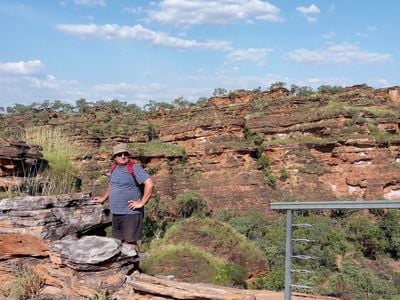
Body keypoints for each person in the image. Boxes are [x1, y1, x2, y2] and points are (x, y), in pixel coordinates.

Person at [95, 143, 154, 255]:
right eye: (119, 154)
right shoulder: (114, 169)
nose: (123, 156)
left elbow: (149, 184)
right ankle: (125, 269)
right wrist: (104, 198)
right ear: (114, 158)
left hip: (131, 213)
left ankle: (135, 270)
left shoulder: (134, 168)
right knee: (118, 242)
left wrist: (141, 202)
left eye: (125, 154)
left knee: (130, 243)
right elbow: (112, 184)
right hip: (117, 212)